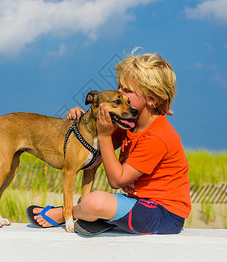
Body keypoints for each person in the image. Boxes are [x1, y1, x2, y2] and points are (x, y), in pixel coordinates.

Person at [26, 49, 191, 235]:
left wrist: (104, 136)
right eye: (119, 86)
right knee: (94, 202)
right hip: (138, 203)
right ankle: (102, 219)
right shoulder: (129, 125)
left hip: (164, 214)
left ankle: (65, 213)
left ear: (152, 99)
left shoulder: (158, 136)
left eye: (127, 90)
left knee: (94, 202)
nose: (118, 93)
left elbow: (116, 180)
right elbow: (92, 153)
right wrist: (82, 122)